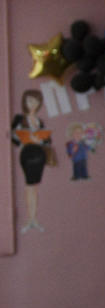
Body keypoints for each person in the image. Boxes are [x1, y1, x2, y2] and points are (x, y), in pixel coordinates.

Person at [10, 90, 52, 233]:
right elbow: (13, 137)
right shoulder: (19, 118)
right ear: (24, 102)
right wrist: (23, 137)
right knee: (29, 186)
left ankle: (34, 219)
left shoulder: (40, 121)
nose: (32, 104)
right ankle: (31, 219)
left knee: (35, 186)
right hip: (27, 154)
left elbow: (48, 140)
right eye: (29, 101)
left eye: (35, 101)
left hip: (39, 154)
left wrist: (40, 139)